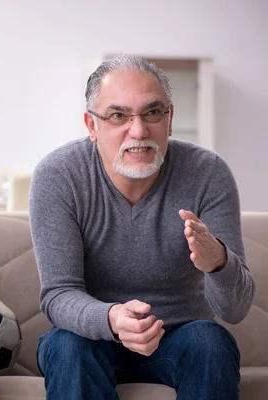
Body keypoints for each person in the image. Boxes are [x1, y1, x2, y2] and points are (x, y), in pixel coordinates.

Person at [29, 54, 255, 400]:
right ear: (92, 126)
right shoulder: (59, 176)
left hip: (180, 336)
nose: (138, 130)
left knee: (211, 340)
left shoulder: (208, 173)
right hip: (92, 336)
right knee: (67, 346)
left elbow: (234, 311)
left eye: (152, 113)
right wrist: (112, 318)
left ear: (170, 119)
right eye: (118, 116)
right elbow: (58, 295)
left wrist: (219, 263)